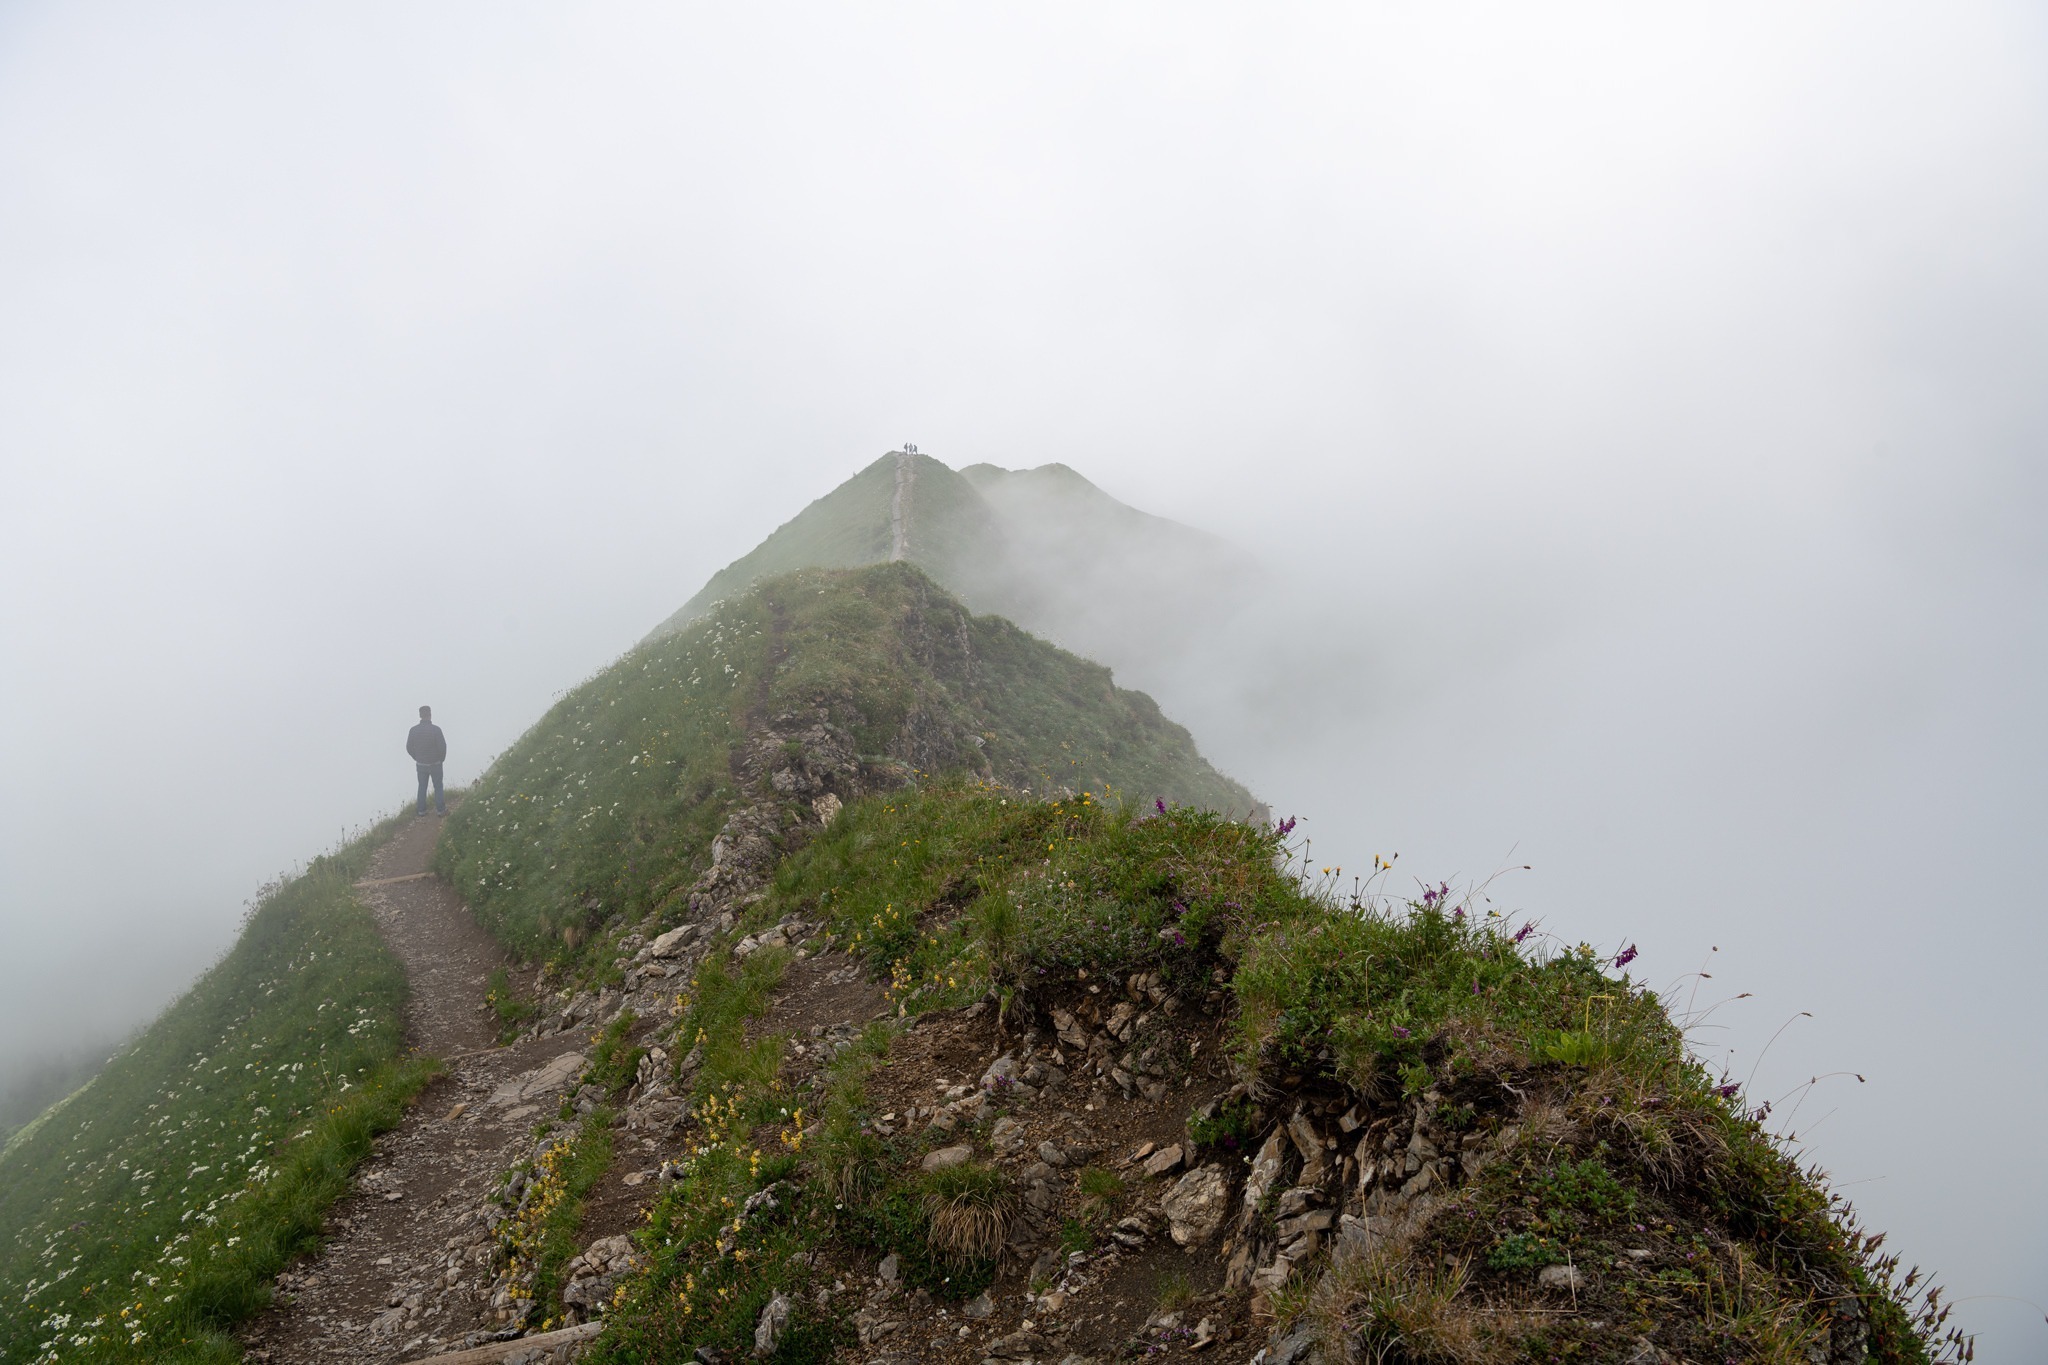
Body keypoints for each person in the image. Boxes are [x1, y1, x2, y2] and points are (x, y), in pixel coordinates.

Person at [407, 705, 448, 816]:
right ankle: (441, 810)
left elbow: (409, 747)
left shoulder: (413, 730)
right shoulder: (436, 730)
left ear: (420, 715)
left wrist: (417, 757)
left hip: (421, 764)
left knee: (422, 787)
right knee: (438, 786)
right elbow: (443, 747)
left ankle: (421, 811)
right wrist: (441, 759)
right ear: (430, 714)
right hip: (435, 764)